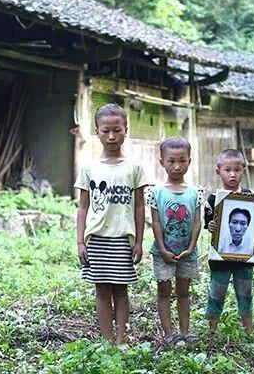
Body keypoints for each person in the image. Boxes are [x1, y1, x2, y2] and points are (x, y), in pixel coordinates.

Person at [74, 103, 147, 345]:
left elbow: (139, 207)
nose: (112, 136)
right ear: (97, 132)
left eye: (117, 130)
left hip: (123, 239)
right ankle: (107, 341)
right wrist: (80, 242)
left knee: (121, 290)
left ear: (126, 130)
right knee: (102, 290)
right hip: (97, 239)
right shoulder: (89, 167)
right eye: (105, 131)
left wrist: (139, 241)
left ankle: (121, 340)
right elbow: (83, 207)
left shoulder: (134, 168)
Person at [145, 137, 205, 347]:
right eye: (171, 161)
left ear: (190, 161)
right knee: (164, 292)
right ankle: (169, 334)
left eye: (182, 161)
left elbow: (197, 222)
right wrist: (162, 249)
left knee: (183, 292)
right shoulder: (156, 192)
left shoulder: (195, 192)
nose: (177, 166)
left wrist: (191, 247)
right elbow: (155, 223)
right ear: (162, 162)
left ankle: (185, 332)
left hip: (187, 253)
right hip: (163, 253)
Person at [205, 148, 254, 333]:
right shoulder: (213, 199)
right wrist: (211, 226)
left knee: (245, 292)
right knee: (217, 292)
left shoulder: (250, 198)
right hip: (220, 258)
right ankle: (212, 329)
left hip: (245, 259)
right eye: (227, 170)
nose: (232, 174)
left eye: (237, 170)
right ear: (218, 171)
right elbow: (208, 224)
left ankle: (249, 329)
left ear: (243, 171)